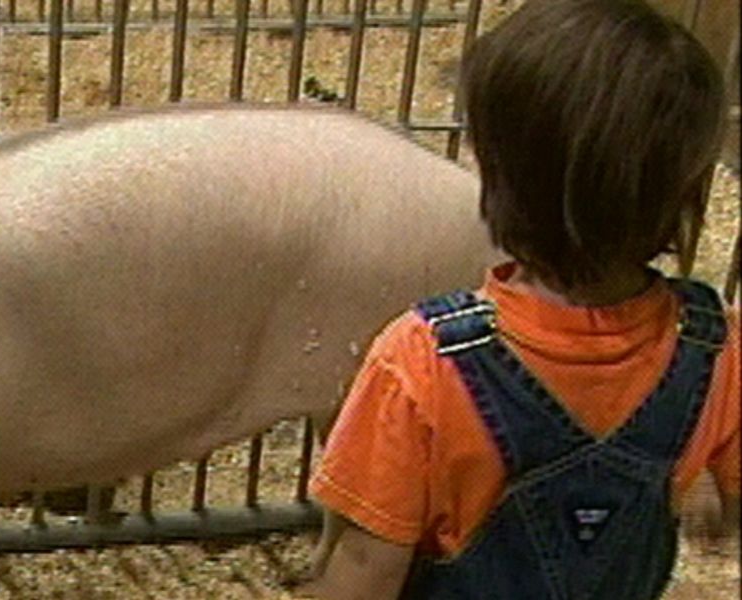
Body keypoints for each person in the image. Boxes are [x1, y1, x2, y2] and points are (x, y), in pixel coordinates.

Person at [297, 0, 738, 598]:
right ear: (686, 194)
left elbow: (365, 566)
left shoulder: (421, 360)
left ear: (498, 180)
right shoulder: (715, 349)